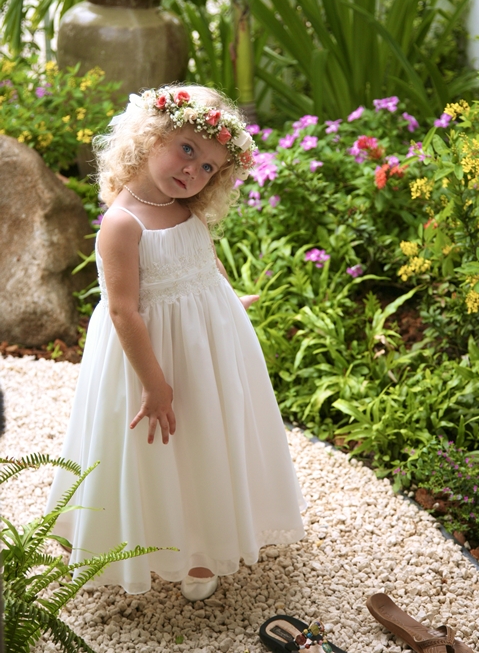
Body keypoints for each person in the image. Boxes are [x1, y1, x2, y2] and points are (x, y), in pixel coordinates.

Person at [46, 84, 305, 600]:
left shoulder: (185, 208)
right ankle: (148, 541)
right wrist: (155, 384)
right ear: (151, 137)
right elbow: (123, 311)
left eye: (208, 167)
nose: (193, 171)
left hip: (204, 343)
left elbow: (204, 260)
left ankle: (206, 544)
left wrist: (228, 300)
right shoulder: (122, 223)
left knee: (208, 435)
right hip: (152, 356)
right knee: (158, 449)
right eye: (187, 149)